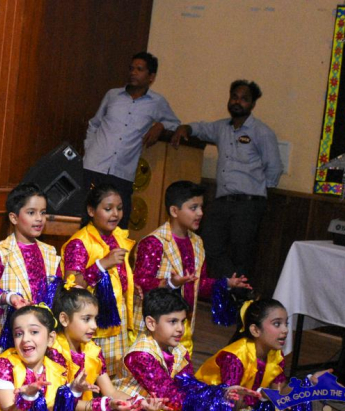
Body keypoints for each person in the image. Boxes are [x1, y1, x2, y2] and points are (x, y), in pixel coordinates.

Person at [116, 288, 248, 411]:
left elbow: (189, 385)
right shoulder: (141, 354)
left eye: (183, 322)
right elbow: (169, 394)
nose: (180, 329)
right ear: (151, 323)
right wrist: (211, 399)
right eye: (173, 322)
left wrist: (221, 393)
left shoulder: (179, 351)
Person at [171, 80, 283, 281]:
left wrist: (259, 195)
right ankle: (233, 287)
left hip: (248, 204)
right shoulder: (221, 127)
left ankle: (238, 295)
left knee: (242, 253)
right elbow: (201, 128)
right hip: (222, 202)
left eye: (244, 99)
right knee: (209, 244)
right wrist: (185, 128)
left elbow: (274, 166)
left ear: (252, 104)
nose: (237, 102)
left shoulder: (262, 132)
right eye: (234, 97)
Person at [195, 298, 328, 411]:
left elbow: (281, 393)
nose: (285, 330)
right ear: (255, 330)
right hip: (218, 407)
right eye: (277, 324)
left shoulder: (275, 355)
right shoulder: (236, 356)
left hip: (247, 407)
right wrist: (261, 397)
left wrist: (309, 382)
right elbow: (230, 401)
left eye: (286, 324)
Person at [51, 286, 165, 411]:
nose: (94, 326)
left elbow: (110, 391)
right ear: (64, 319)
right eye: (86, 319)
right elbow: (59, 405)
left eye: (95, 319)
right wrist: (104, 405)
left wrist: (140, 403)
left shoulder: (93, 350)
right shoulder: (53, 352)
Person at [133, 180, 250, 355]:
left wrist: (226, 284)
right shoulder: (154, 242)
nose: (200, 213)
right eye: (193, 208)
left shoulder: (197, 243)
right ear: (174, 211)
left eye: (201, 207)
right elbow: (140, 283)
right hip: (153, 331)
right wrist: (170, 283)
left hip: (184, 329)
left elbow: (198, 285)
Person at [83, 52, 179, 226]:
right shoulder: (112, 95)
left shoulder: (157, 102)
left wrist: (160, 125)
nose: (133, 72)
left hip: (122, 172)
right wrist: (89, 151)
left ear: (151, 77)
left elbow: (174, 123)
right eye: (131, 68)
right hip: (94, 166)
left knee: (118, 225)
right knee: (87, 220)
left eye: (139, 69)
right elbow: (94, 123)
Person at [0, 183, 61, 361]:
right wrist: (8, 298)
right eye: (31, 213)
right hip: (7, 339)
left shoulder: (50, 253)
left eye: (43, 212)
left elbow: (57, 292)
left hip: (42, 338)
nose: (39, 219)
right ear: (14, 218)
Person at [62, 183, 136, 376]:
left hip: (118, 316)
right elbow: (71, 284)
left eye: (119, 208)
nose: (115, 214)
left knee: (116, 373)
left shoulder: (118, 237)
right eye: (108, 208)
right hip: (93, 320)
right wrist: (102, 265)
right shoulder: (80, 242)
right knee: (94, 373)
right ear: (91, 210)